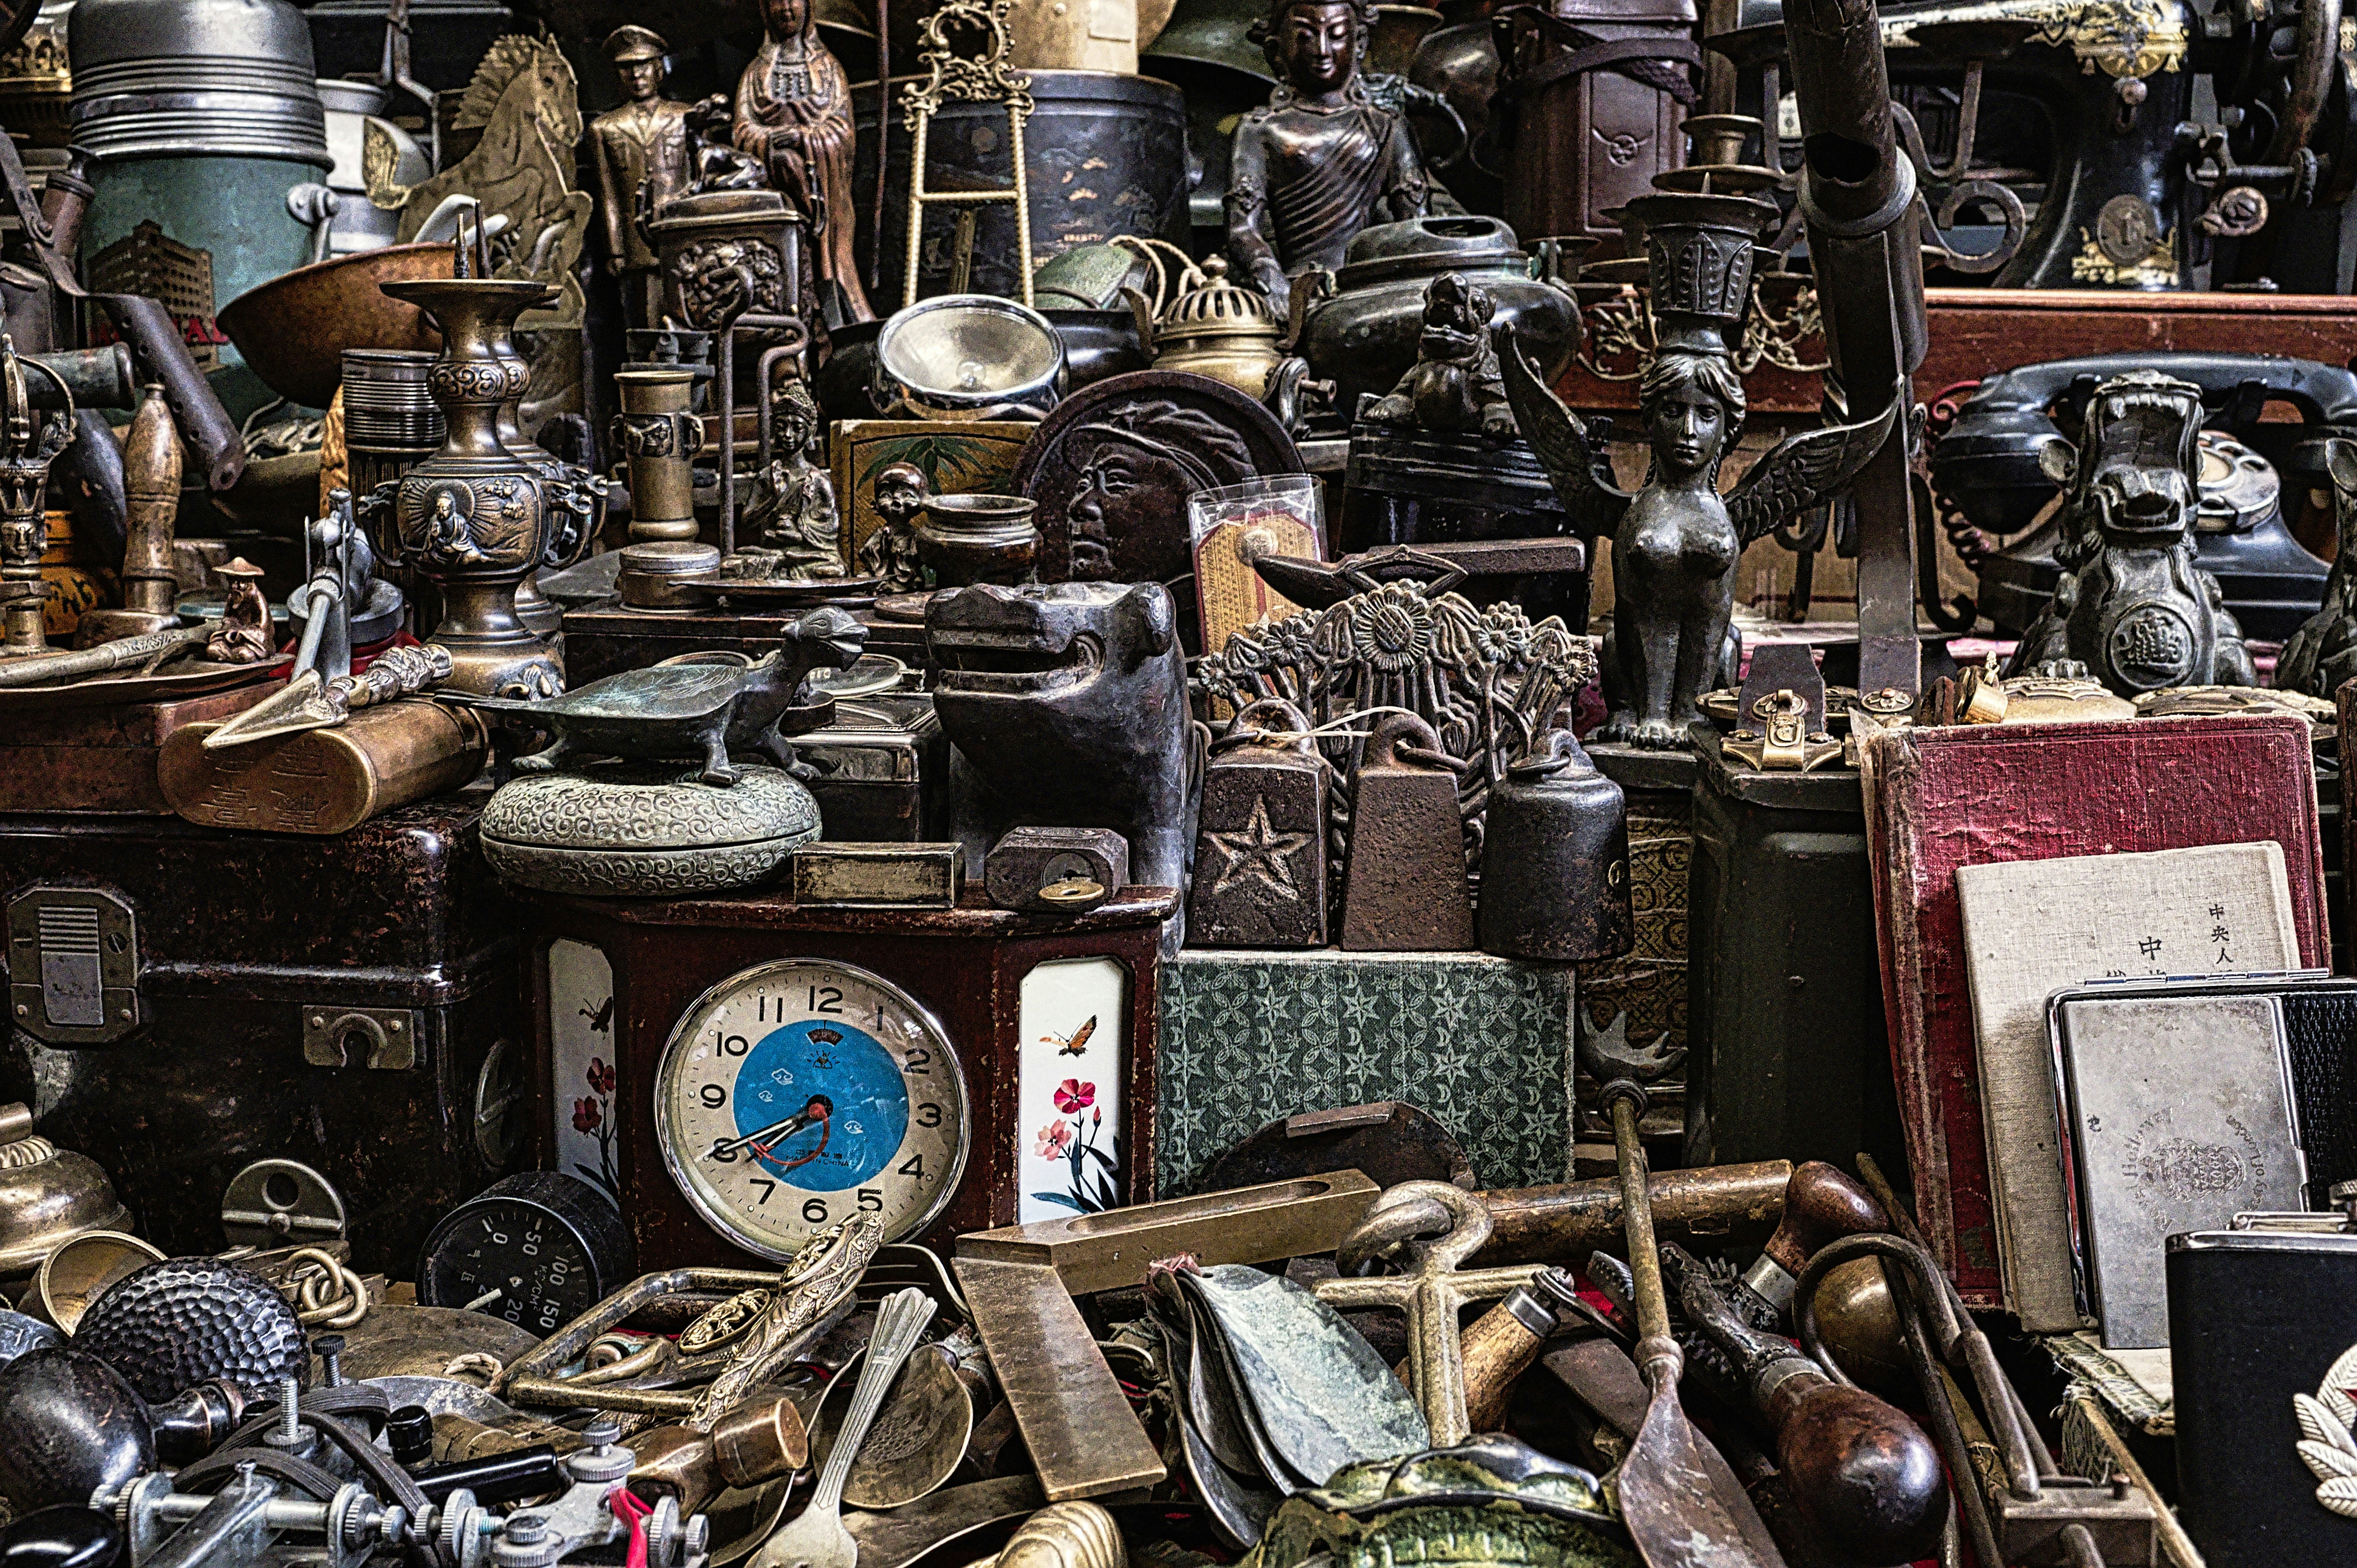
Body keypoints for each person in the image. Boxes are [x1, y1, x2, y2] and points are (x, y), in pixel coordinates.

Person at [1226, 0, 1432, 323]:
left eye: (1336, 35)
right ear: (1275, 49)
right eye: (1306, 37)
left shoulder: (1386, 127)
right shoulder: (1261, 130)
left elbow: (1416, 226)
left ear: (1359, 42)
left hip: (1369, 291)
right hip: (1297, 294)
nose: (1322, 51)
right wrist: (1271, 276)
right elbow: (1242, 228)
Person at [734, 0, 874, 325]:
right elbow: (742, 130)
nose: (785, 9)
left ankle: (834, 321)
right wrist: (767, 141)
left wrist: (803, 138)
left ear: (809, 8)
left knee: (827, 259)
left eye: (794, 0)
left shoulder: (827, 68)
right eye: (776, 2)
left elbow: (842, 129)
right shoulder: (756, 72)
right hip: (773, 194)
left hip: (823, 188)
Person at [588, 26, 691, 327]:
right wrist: (615, 249)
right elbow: (607, 193)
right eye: (627, 68)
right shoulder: (604, 128)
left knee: (689, 317)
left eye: (643, 65)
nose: (636, 75)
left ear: (659, 68)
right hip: (636, 246)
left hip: (680, 235)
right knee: (642, 322)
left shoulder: (685, 117)